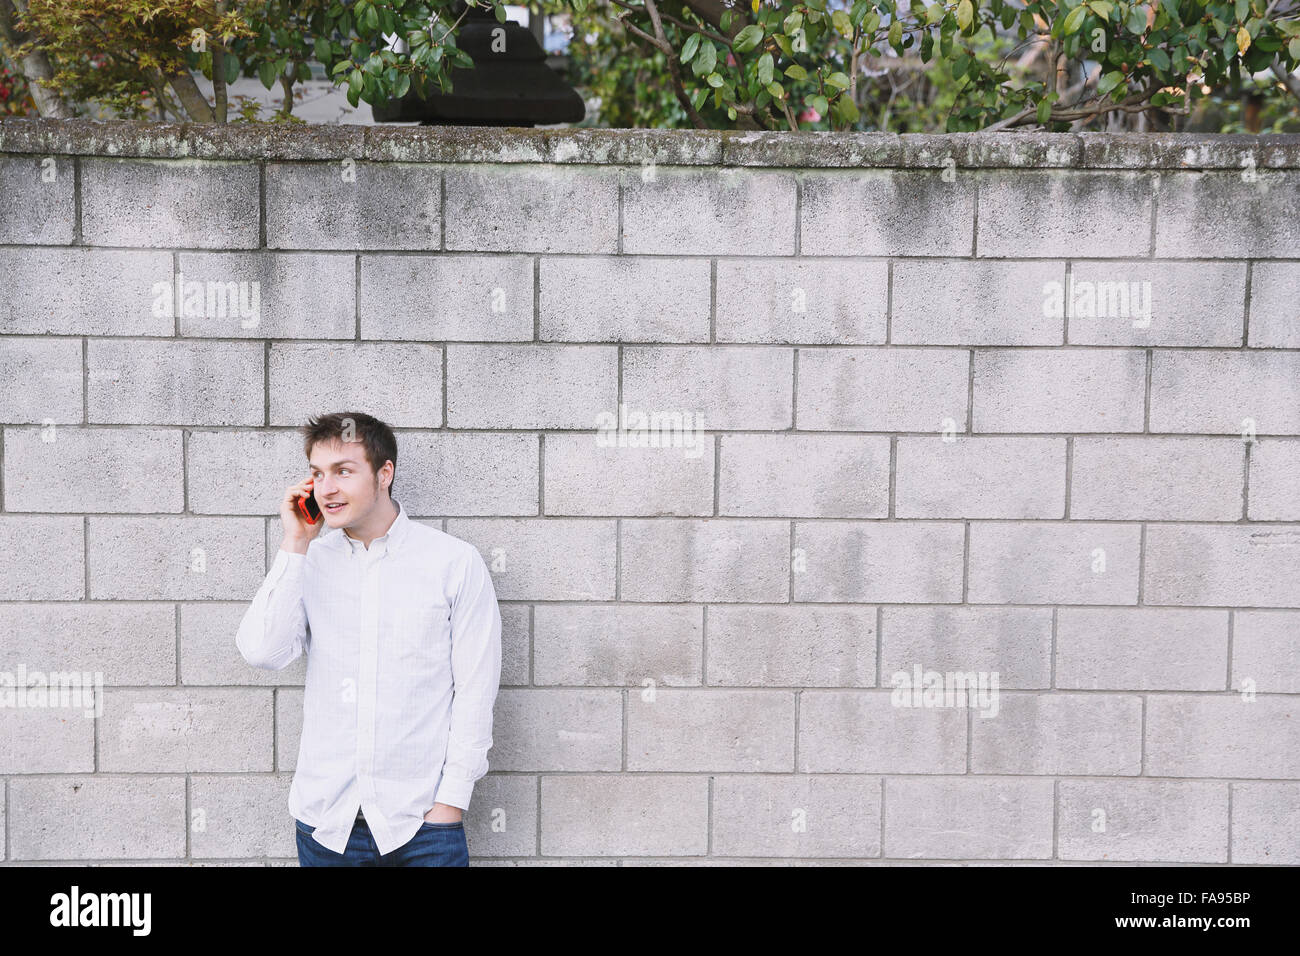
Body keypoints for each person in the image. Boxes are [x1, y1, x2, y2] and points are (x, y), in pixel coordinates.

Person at [236, 411, 502, 866]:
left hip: (421, 826)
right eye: (318, 474)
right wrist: (295, 542)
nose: (327, 488)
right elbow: (262, 651)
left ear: (384, 474)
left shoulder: (453, 562)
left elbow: (476, 692)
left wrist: (450, 804)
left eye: (343, 471)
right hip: (327, 825)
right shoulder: (311, 560)